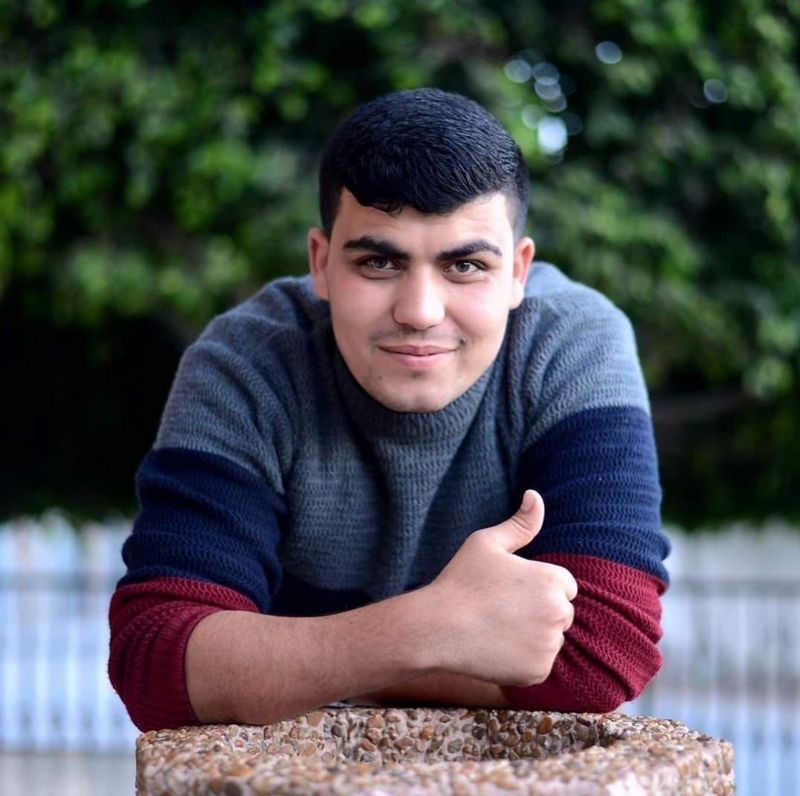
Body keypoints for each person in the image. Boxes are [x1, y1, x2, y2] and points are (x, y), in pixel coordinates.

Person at [108, 88, 669, 732]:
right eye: (378, 261)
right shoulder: (246, 363)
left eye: (465, 265)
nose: (420, 311)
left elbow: (603, 654)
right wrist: (431, 627)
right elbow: (156, 662)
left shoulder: (572, 343)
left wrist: (288, 661)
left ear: (518, 272)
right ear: (321, 264)